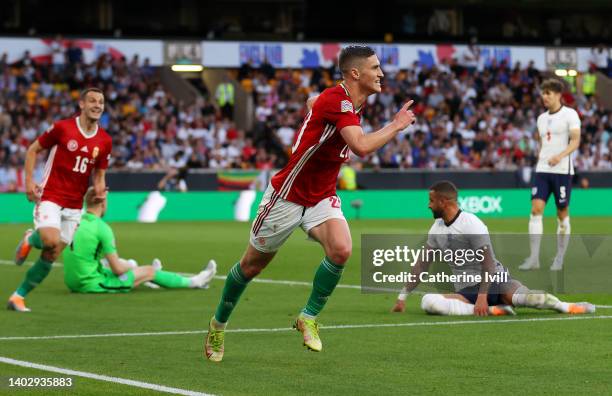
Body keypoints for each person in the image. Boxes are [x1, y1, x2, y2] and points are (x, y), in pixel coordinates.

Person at [204, 45, 416, 362]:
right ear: (355, 73)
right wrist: (396, 125)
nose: (381, 73)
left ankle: (308, 317)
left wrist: (313, 105)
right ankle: (218, 324)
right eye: (375, 68)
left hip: (320, 196)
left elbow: (319, 107)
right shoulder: (338, 100)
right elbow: (359, 146)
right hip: (287, 196)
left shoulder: (349, 103)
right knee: (250, 267)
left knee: (342, 249)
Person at [391, 181, 595, 316]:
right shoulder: (437, 229)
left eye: (432, 201)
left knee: (530, 298)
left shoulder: (471, 223)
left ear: (444, 202)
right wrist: (402, 298)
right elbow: (421, 265)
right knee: (429, 302)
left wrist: (482, 298)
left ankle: (569, 307)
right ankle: (496, 310)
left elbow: (488, 263)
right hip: (466, 290)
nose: (428, 205)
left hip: (495, 281)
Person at [8, 88, 112, 312]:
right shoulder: (63, 128)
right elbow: (32, 150)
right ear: (81, 104)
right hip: (51, 195)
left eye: (101, 102)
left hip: (75, 204)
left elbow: (99, 175)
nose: (97, 105)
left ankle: (18, 296)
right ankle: (31, 238)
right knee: (50, 240)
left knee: (51, 254)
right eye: (92, 101)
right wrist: (28, 182)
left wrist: (100, 192)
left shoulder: (104, 141)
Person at [62, 187, 217, 293]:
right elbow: (117, 269)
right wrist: (133, 269)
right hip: (90, 284)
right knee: (149, 271)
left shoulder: (75, 221)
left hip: (73, 281)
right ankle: (195, 281)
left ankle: (143, 275)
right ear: (103, 203)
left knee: (123, 265)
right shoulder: (102, 228)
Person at [520, 79, 581, 271]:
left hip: (562, 171)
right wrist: (542, 155)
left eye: (548, 93)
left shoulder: (570, 114)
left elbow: (575, 141)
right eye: (543, 93)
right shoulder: (541, 118)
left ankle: (560, 258)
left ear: (558, 95)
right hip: (542, 170)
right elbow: (543, 142)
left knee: (562, 213)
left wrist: (560, 156)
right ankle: (534, 258)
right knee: (536, 210)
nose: (544, 97)